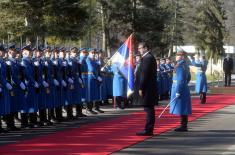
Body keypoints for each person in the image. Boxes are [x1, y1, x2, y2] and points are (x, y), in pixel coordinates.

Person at [136, 42, 157, 136]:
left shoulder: (147, 58)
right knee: (149, 108)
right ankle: (149, 128)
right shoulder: (148, 57)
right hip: (149, 87)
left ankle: (148, 129)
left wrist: (141, 87)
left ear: (145, 48)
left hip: (147, 88)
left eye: (140, 48)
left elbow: (144, 74)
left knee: (149, 109)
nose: (139, 50)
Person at [170, 50, 191, 132]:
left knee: (182, 107)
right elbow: (188, 78)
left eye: (178, 55)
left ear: (182, 56)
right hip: (184, 87)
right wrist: (184, 84)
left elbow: (180, 80)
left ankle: (183, 126)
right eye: (177, 55)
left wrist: (178, 91)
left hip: (179, 87)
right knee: (183, 107)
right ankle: (184, 125)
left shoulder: (179, 65)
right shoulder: (185, 65)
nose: (176, 56)